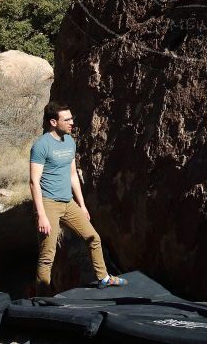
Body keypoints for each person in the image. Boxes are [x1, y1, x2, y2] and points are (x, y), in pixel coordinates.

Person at [30, 101, 127, 294]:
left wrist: (82, 205)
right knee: (48, 254)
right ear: (53, 122)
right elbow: (34, 181)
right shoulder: (41, 146)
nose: (72, 122)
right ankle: (42, 298)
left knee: (93, 238)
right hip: (49, 204)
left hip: (68, 202)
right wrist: (41, 214)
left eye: (71, 118)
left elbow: (73, 175)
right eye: (67, 119)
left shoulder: (70, 142)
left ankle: (104, 278)